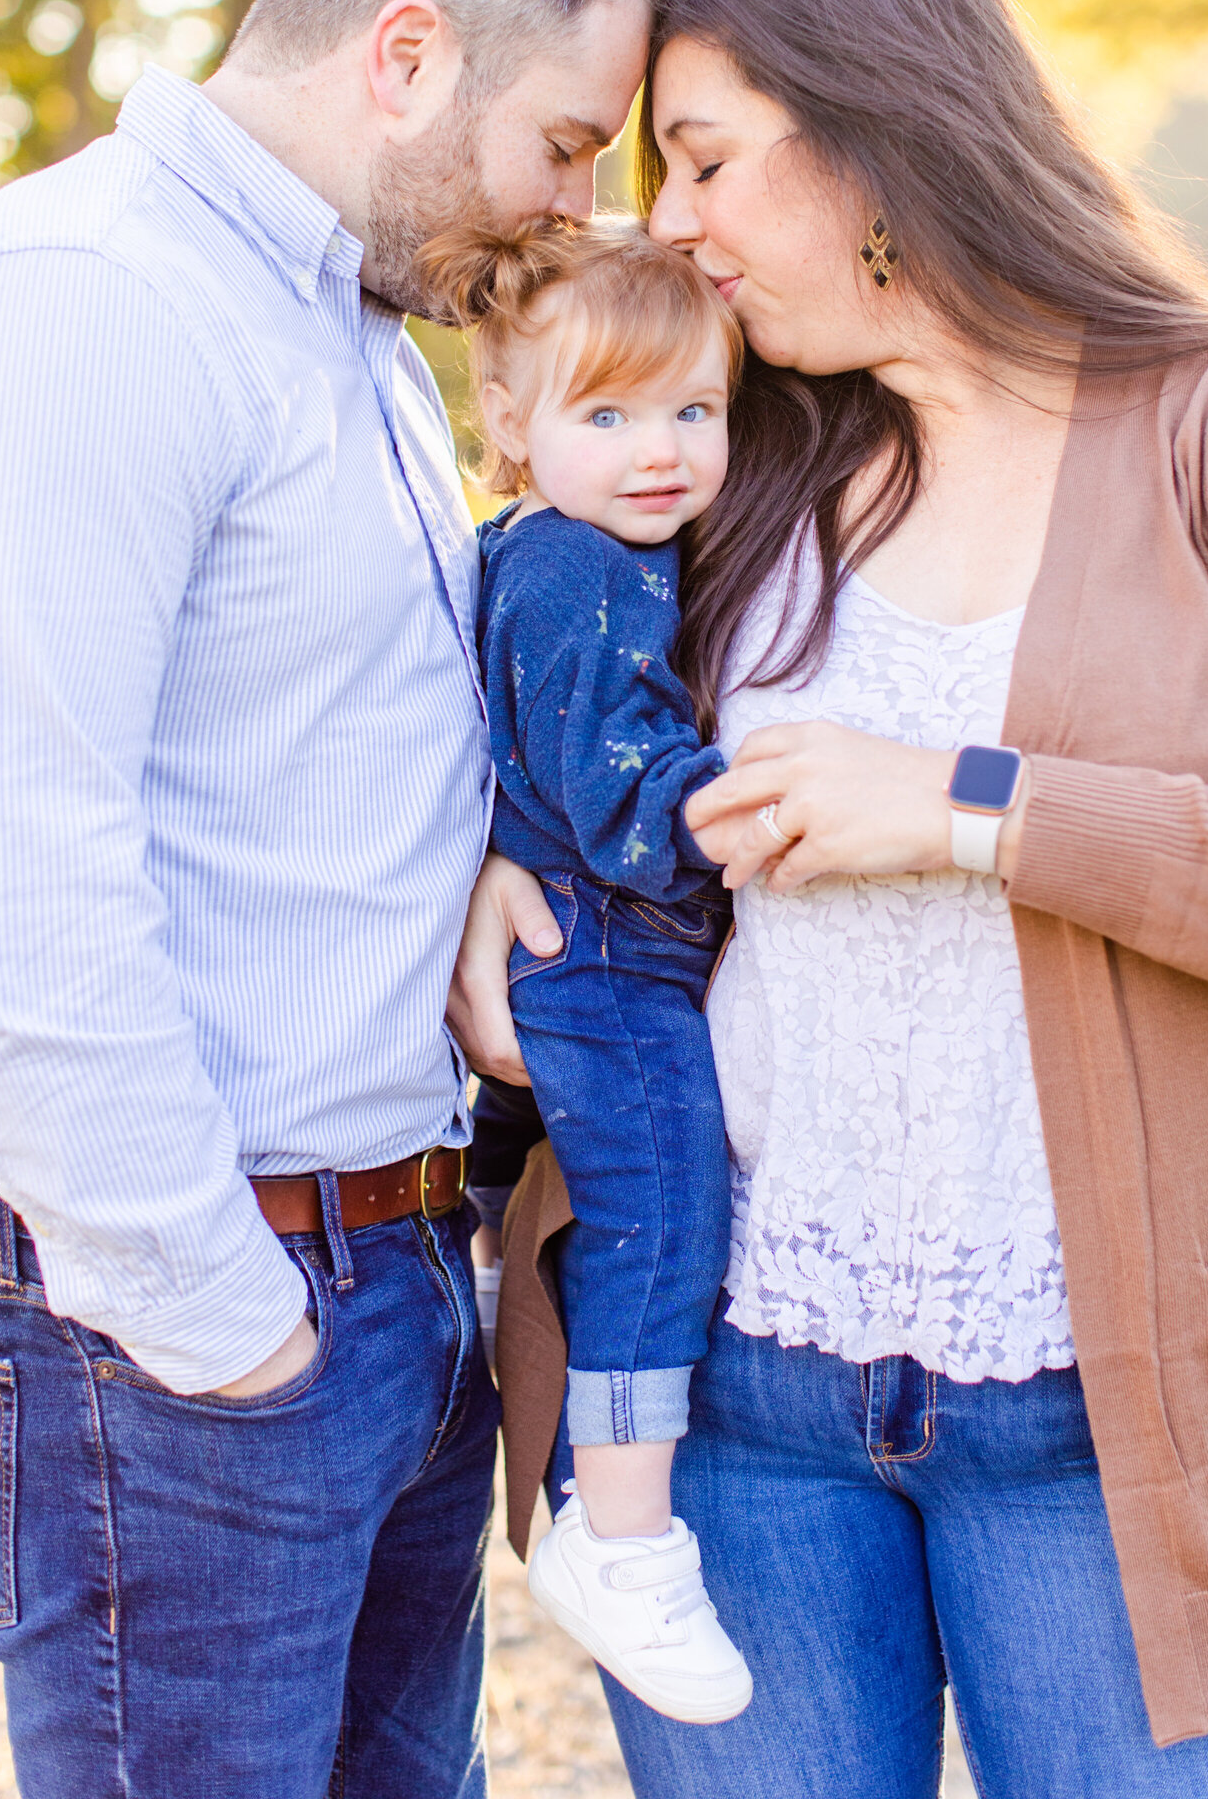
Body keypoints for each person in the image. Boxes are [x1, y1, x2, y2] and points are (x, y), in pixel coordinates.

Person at [459, 0, 1208, 1798]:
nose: (672, 219)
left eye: (708, 157)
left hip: (1120, 1415)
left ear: (879, 130)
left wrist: (970, 806)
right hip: (730, 1399)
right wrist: (485, 886)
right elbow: (535, 692)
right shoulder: (740, 458)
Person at [0, 0, 666, 1799]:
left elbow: (301, 770)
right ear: (404, 53)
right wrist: (222, 1332)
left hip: (385, 1281)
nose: (575, 207)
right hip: (195, 1317)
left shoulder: (350, 343)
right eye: (563, 140)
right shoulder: (79, 305)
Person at [432, 214, 752, 1723]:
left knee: (576, 1201)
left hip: (580, 951)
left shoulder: (572, 550)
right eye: (606, 414)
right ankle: (623, 1537)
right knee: (666, 1208)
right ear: (510, 424)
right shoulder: (574, 573)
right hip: (604, 957)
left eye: (695, 409)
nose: (659, 452)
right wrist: (750, 802)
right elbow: (622, 790)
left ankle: (506, 1293)